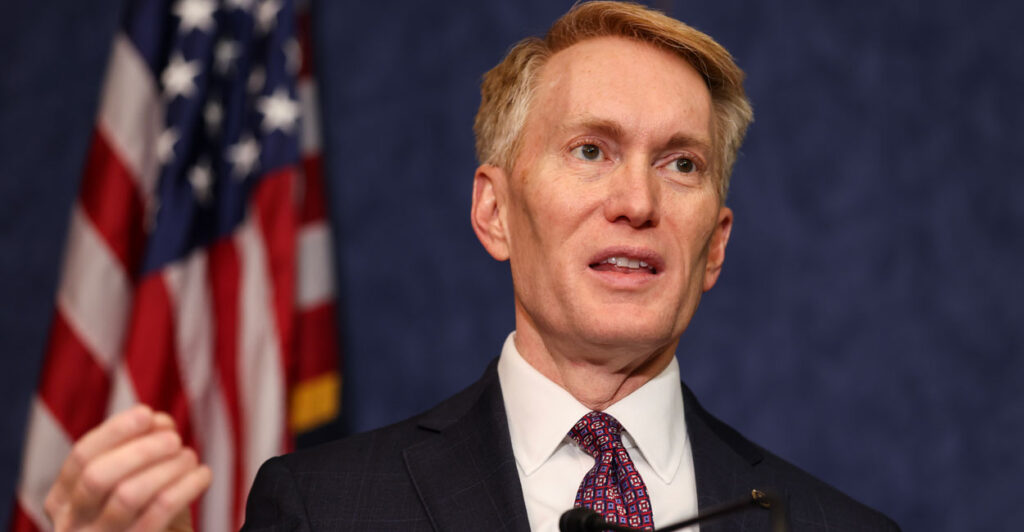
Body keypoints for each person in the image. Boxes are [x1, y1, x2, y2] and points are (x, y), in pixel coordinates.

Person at [44, 2, 900, 531]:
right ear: (494, 212)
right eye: (591, 150)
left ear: (714, 245)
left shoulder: (837, 528)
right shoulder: (327, 511)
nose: (638, 201)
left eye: (681, 164)